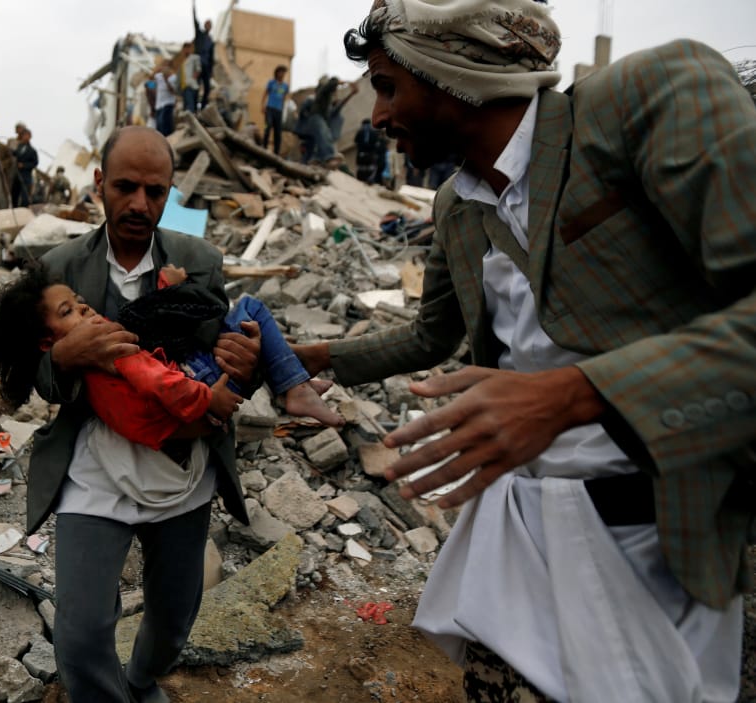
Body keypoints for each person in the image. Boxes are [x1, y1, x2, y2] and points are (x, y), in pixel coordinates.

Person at [292, 3, 753, 701]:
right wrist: (315, 354)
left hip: (658, 538)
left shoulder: (645, 101)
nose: (377, 116)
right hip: (516, 533)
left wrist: (572, 394)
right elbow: (430, 337)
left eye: (387, 86)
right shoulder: (455, 206)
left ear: (444, 71)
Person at [24, 126, 263, 702]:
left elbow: (222, 360)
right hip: (95, 470)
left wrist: (246, 359)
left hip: (181, 469)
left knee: (175, 619)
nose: (139, 204)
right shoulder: (57, 268)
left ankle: (141, 679)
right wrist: (63, 357)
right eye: (126, 187)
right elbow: (33, 378)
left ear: (170, 192)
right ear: (99, 183)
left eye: (155, 192)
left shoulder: (200, 261)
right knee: (79, 636)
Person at [0, 264, 340, 445]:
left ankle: (295, 375)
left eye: (79, 302)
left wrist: (172, 289)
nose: (84, 308)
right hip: (192, 393)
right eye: (69, 310)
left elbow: (157, 317)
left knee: (245, 339)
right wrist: (207, 400)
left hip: (186, 403)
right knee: (251, 307)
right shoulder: (105, 348)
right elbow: (158, 379)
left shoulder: (100, 348)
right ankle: (296, 386)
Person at [191, 0, 215, 109]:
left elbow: (212, 57)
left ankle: (203, 106)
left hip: (206, 66)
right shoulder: (199, 34)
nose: (208, 26)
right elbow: (195, 21)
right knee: (196, 85)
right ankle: (195, 106)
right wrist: (193, 6)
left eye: (210, 24)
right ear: (205, 25)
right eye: (207, 24)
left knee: (207, 88)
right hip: (198, 64)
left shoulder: (211, 40)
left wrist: (211, 72)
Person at [262, 65, 289, 155]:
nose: (281, 74)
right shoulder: (271, 83)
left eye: (283, 72)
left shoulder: (285, 86)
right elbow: (265, 94)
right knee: (267, 126)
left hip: (279, 111)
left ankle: (276, 152)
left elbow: (284, 99)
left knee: (278, 132)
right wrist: (263, 105)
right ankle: (264, 147)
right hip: (270, 108)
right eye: (280, 72)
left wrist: (283, 111)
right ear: (276, 73)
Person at [13, 128, 39, 208]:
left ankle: (24, 209)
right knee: (14, 194)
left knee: (25, 196)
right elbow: (15, 154)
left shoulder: (32, 150)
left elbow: (35, 163)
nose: (25, 137)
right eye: (24, 135)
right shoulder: (19, 147)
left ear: (30, 137)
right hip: (16, 174)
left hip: (26, 176)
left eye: (27, 135)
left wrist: (24, 165)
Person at [152, 63, 179, 136]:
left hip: (168, 103)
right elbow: (153, 81)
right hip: (159, 105)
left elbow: (173, 91)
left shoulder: (173, 78)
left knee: (165, 124)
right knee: (159, 125)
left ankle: (167, 138)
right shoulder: (158, 76)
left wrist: (166, 80)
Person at [354, 118, 381, 183]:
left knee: (361, 169)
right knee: (370, 169)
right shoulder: (374, 132)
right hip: (370, 155)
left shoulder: (360, 132)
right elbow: (376, 145)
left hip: (361, 154)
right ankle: (369, 181)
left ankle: (361, 181)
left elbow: (356, 142)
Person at [180, 42, 201, 114]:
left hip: (190, 85)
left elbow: (198, 70)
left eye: (188, 48)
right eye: (185, 49)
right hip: (184, 86)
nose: (186, 50)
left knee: (190, 107)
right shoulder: (183, 60)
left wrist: (192, 79)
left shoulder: (194, 57)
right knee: (186, 107)